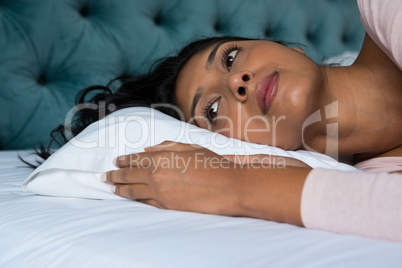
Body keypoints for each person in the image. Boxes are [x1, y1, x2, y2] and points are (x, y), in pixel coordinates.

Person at [26, 0, 402, 241]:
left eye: (231, 57)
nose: (236, 82)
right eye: (212, 111)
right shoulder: (376, 183)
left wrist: (235, 184)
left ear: (290, 48)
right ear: (239, 146)